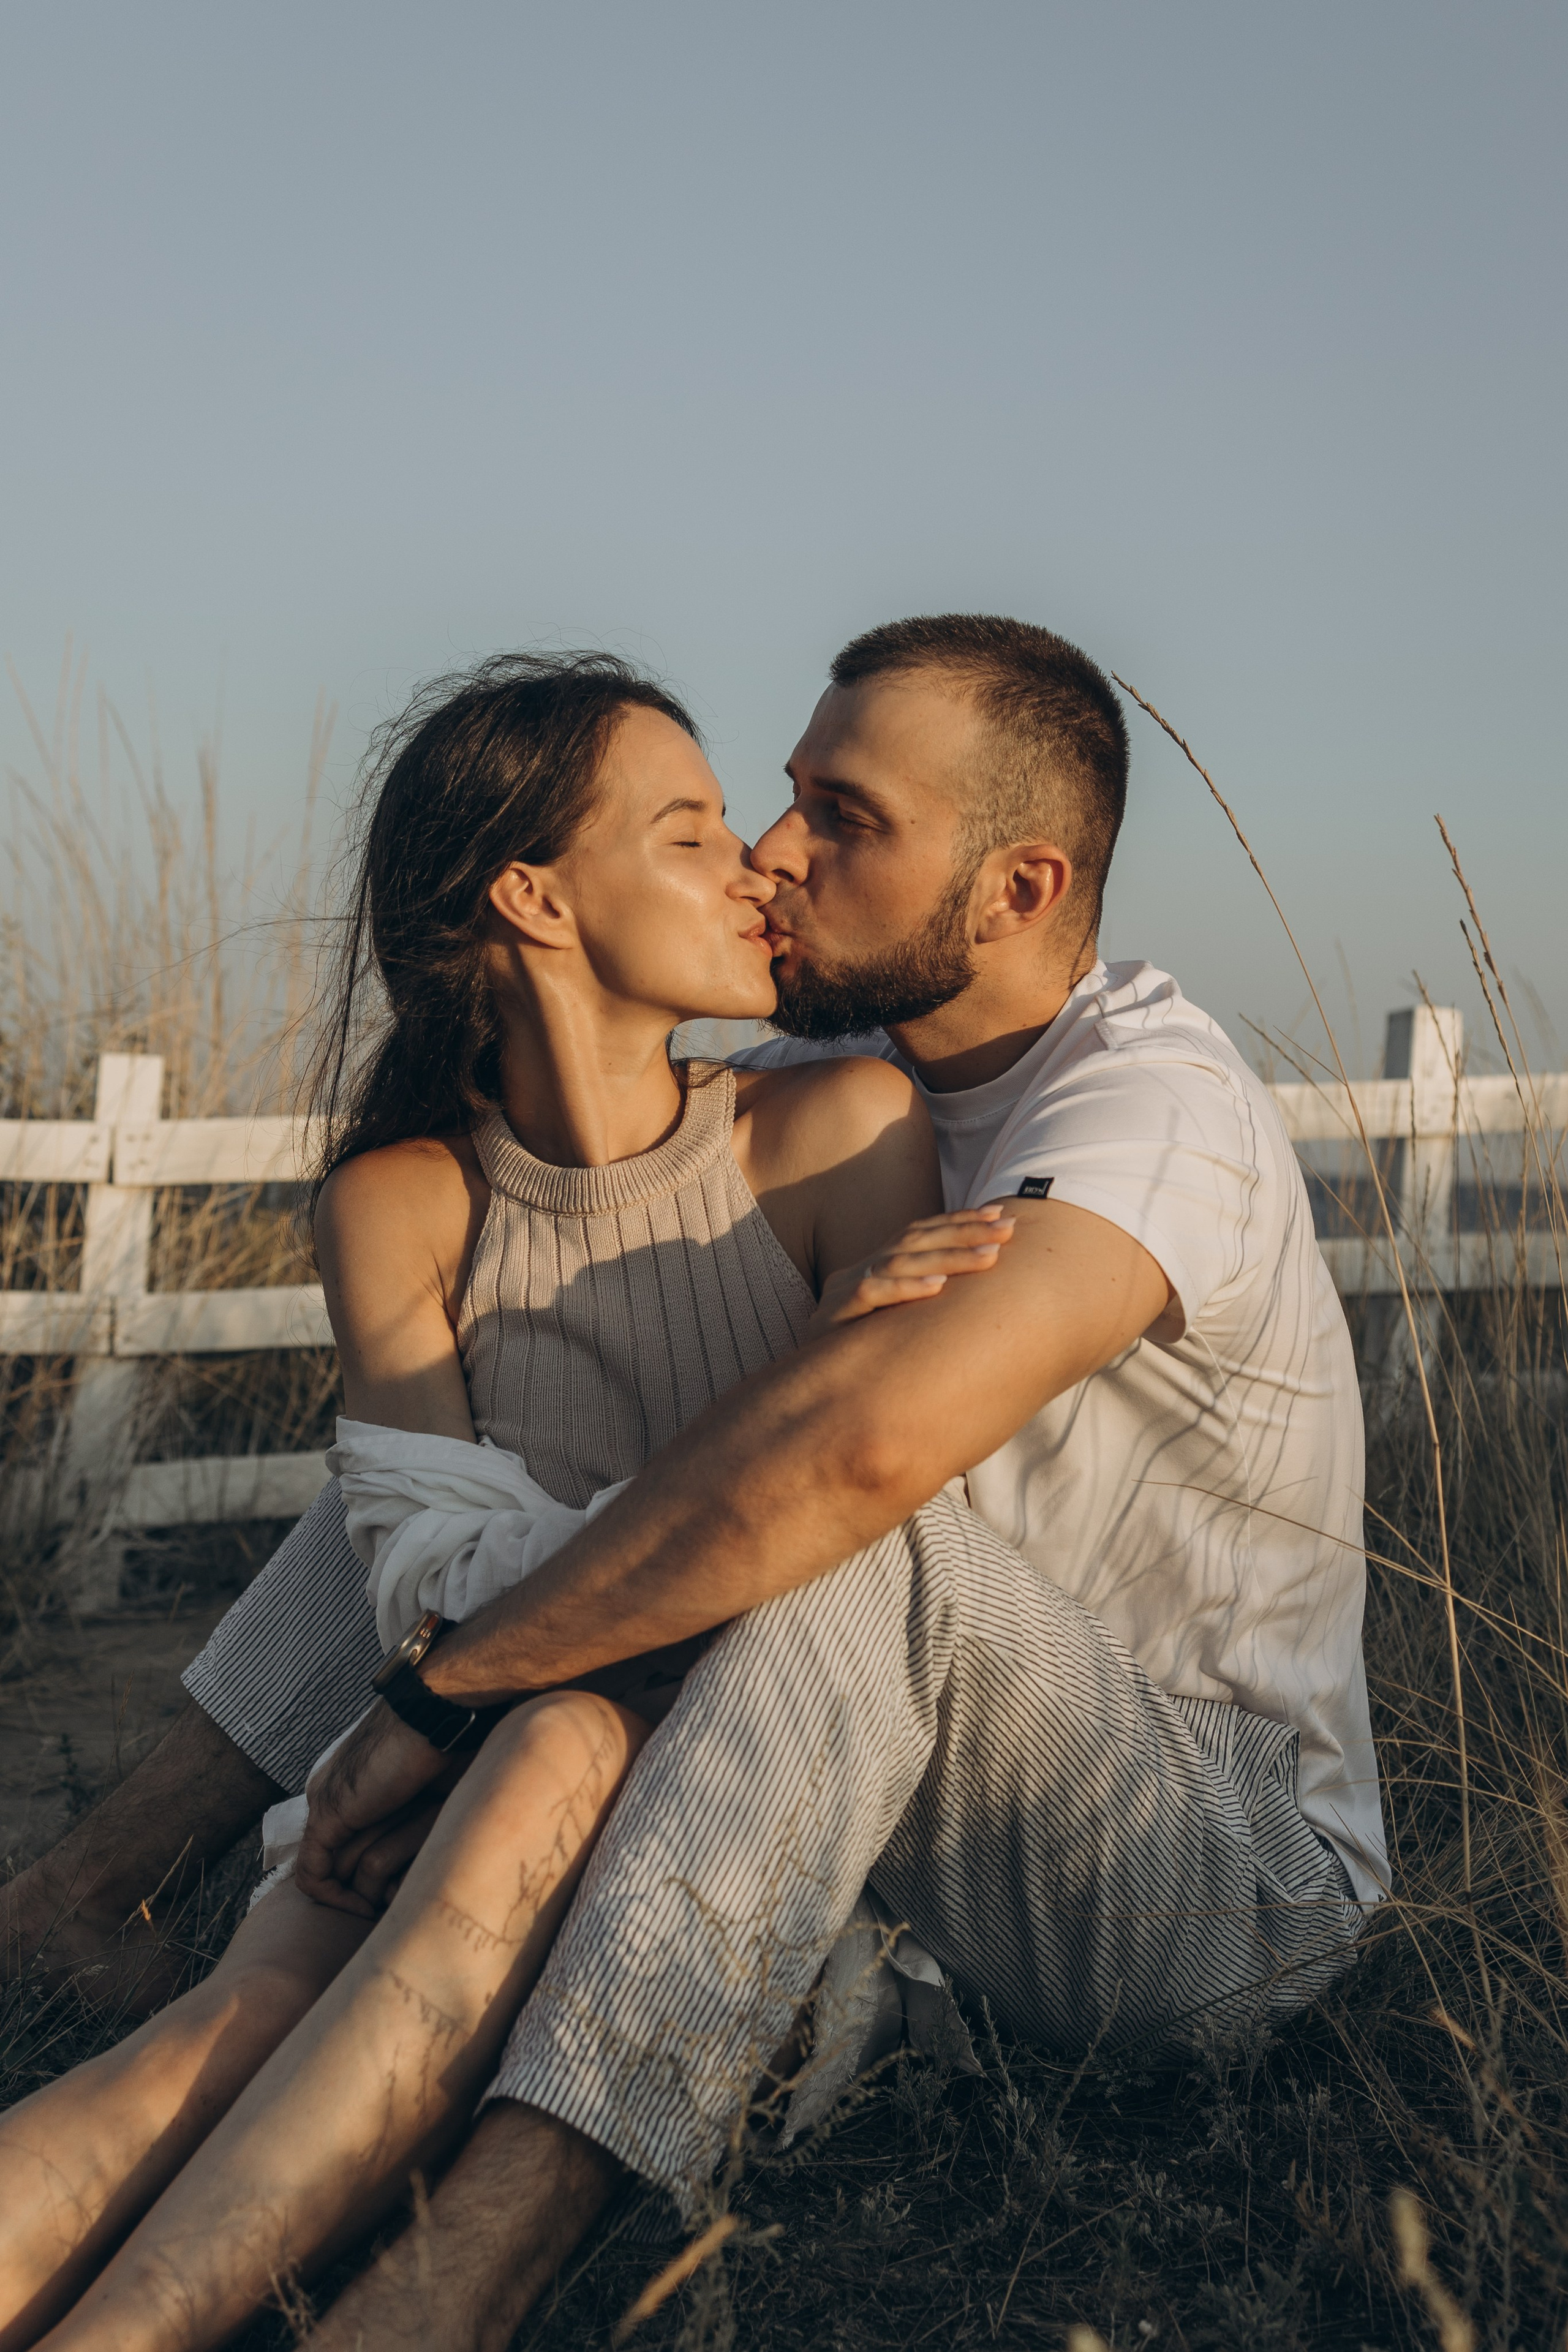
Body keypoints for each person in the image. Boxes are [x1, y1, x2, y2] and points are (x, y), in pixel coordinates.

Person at [6, 616, 1385, 2352]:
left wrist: (445, 1691)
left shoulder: (1147, 1109)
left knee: (834, 1532)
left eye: (844, 819)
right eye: (774, 801)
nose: (773, 855)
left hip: (1196, 1876)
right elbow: (579, 1471)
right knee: (476, 1452)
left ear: (1020, 888)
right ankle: (92, 1898)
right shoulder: (815, 1084)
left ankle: (469, 2273)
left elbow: (853, 1463)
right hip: (883, 1822)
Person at [0, 651, 989, 2349]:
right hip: (433, 1788)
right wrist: (726, 1496)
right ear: (536, 894)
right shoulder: (404, 1201)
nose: (753, 861)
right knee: (210, 2044)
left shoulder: (838, 1129)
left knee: (547, 1746)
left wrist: (575, 1611)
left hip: (722, 1814)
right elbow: (425, 1590)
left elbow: (832, 1567)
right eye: (687, 834)